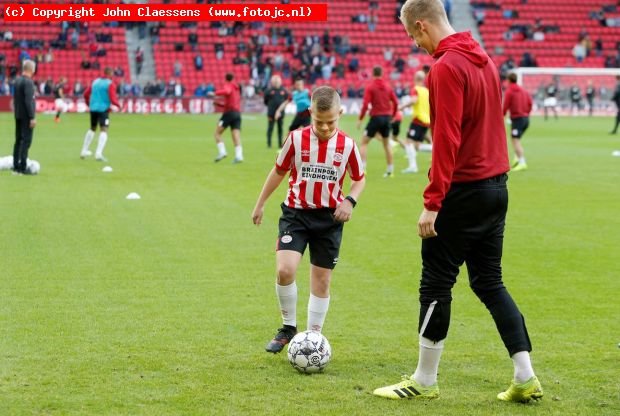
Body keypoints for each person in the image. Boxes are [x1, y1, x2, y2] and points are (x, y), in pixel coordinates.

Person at [374, 0, 542, 403]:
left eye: (413, 35)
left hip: (463, 191)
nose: (415, 44)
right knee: (489, 281)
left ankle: (424, 381)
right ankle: (525, 376)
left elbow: (446, 138)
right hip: (496, 188)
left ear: (420, 25)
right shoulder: (484, 59)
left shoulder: (446, 67)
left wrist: (433, 201)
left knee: (435, 282)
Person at [252, 86, 366, 353]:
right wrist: (260, 204)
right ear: (309, 113)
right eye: (319, 121)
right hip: (296, 214)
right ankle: (288, 328)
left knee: (322, 280)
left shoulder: (347, 145)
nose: (325, 128)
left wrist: (350, 200)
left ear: (340, 113)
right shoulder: (295, 139)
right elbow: (279, 171)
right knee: (284, 270)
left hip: (329, 218)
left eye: (331, 122)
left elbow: (359, 179)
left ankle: (314, 338)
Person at [357, 66, 399, 177]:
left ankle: (363, 169)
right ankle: (390, 171)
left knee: (364, 143)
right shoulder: (388, 87)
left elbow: (365, 105)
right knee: (386, 144)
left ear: (373, 74)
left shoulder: (370, 87)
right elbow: (396, 103)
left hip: (376, 117)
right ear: (382, 74)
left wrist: (360, 119)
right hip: (387, 117)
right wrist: (393, 115)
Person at [81, 67, 120, 162]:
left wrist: (88, 103)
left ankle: (83, 151)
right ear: (110, 74)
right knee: (104, 129)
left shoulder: (95, 81)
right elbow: (112, 98)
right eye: (112, 74)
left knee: (92, 128)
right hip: (103, 109)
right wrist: (118, 105)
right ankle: (98, 154)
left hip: (93, 108)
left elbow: (85, 94)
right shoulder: (110, 84)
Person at [399, 70, 431, 174]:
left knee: (408, 142)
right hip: (427, 120)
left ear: (415, 78)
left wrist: (402, 107)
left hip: (418, 119)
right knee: (417, 146)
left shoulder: (415, 89)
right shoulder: (426, 91)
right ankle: (434, 149)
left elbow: (413, 101)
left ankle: (413, 167)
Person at [208, 73, 244, 163]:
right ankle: (239, 156)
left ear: (226, 79)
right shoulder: (237, 89)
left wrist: (214, 93)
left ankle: (222, 152)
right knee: (236, 135)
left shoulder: (229, 85)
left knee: (217, 133)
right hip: (237, 114)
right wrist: (219, 104)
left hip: (229, 114)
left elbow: (227, 91)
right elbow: (230, 103)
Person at [503, 72, 532, 172]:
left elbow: (506, 105)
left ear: (508, 80)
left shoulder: (509, 91)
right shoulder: (523, 90)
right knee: (515, 139)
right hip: (526, 119)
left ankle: (522, 162)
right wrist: (526, 113)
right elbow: (530, 102)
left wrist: (502, 115)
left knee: (515, 141)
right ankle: (516, 157)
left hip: (517, 119)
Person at [12, 60, 37, 175]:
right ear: (32, 69)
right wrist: (32, 117)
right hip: (26, 116)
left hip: (18, 114)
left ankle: (16, 165)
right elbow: (28, 101)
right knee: (26, 141)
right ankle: (23, 167)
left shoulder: (17, 80)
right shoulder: (29, 83)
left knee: (18, 140)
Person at [264, 75, 288, 148]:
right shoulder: (268, 91)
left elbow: (287, 100)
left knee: (280, 128)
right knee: (270, 128)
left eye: (277, 81)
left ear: (280, 81)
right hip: (271, 113)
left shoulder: (284, 90)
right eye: (275, 81)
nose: (276, 82)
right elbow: (265, 101)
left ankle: (280, 144)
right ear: (272, 82)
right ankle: (269, 144)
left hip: (280, 113)